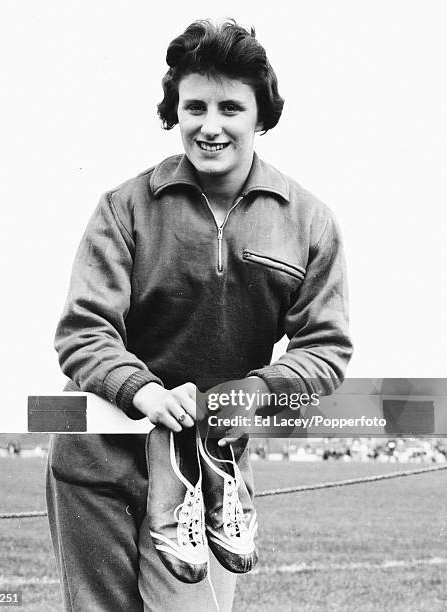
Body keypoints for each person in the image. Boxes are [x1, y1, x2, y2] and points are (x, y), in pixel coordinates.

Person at [46, 18, 353, 612]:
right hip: (98, 456)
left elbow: (327, 346)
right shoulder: (123, 208)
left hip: (210, 473)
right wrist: (141, 390)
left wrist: (257, 390)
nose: (210, 126)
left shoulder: (309, 222)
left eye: (231, 108)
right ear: (175, 112)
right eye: (195, 106)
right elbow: (83, 330)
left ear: (261, 116)